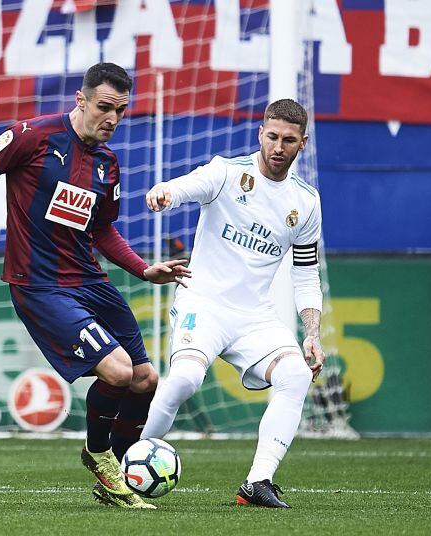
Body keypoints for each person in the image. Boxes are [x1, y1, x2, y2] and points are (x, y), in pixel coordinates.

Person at [0, 63, 191, 510]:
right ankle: (99, 458)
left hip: (89, 279)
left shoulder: (108, 164)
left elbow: (104, 231)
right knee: (117, 371)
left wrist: (142, 270)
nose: (112, 118)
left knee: (145, 378)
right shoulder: (34, 136)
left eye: (121, 110)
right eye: (105, 107)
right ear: (81, 100)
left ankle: (124, 470)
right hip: (39, 284)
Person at [141, 99, 325, 508]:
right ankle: (126, 463)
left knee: (295, 375)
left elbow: (306, 273)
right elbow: (187, 186)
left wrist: (312, 332)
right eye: (272, 136)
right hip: (202, 303)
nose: (278, 146)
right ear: (260, 133)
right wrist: (165, 192)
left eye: (289, 140)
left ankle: (257, 482)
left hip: (254, 317)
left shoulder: (306, 202)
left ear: (303, 143)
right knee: (186, 379)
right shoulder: (226, 173)